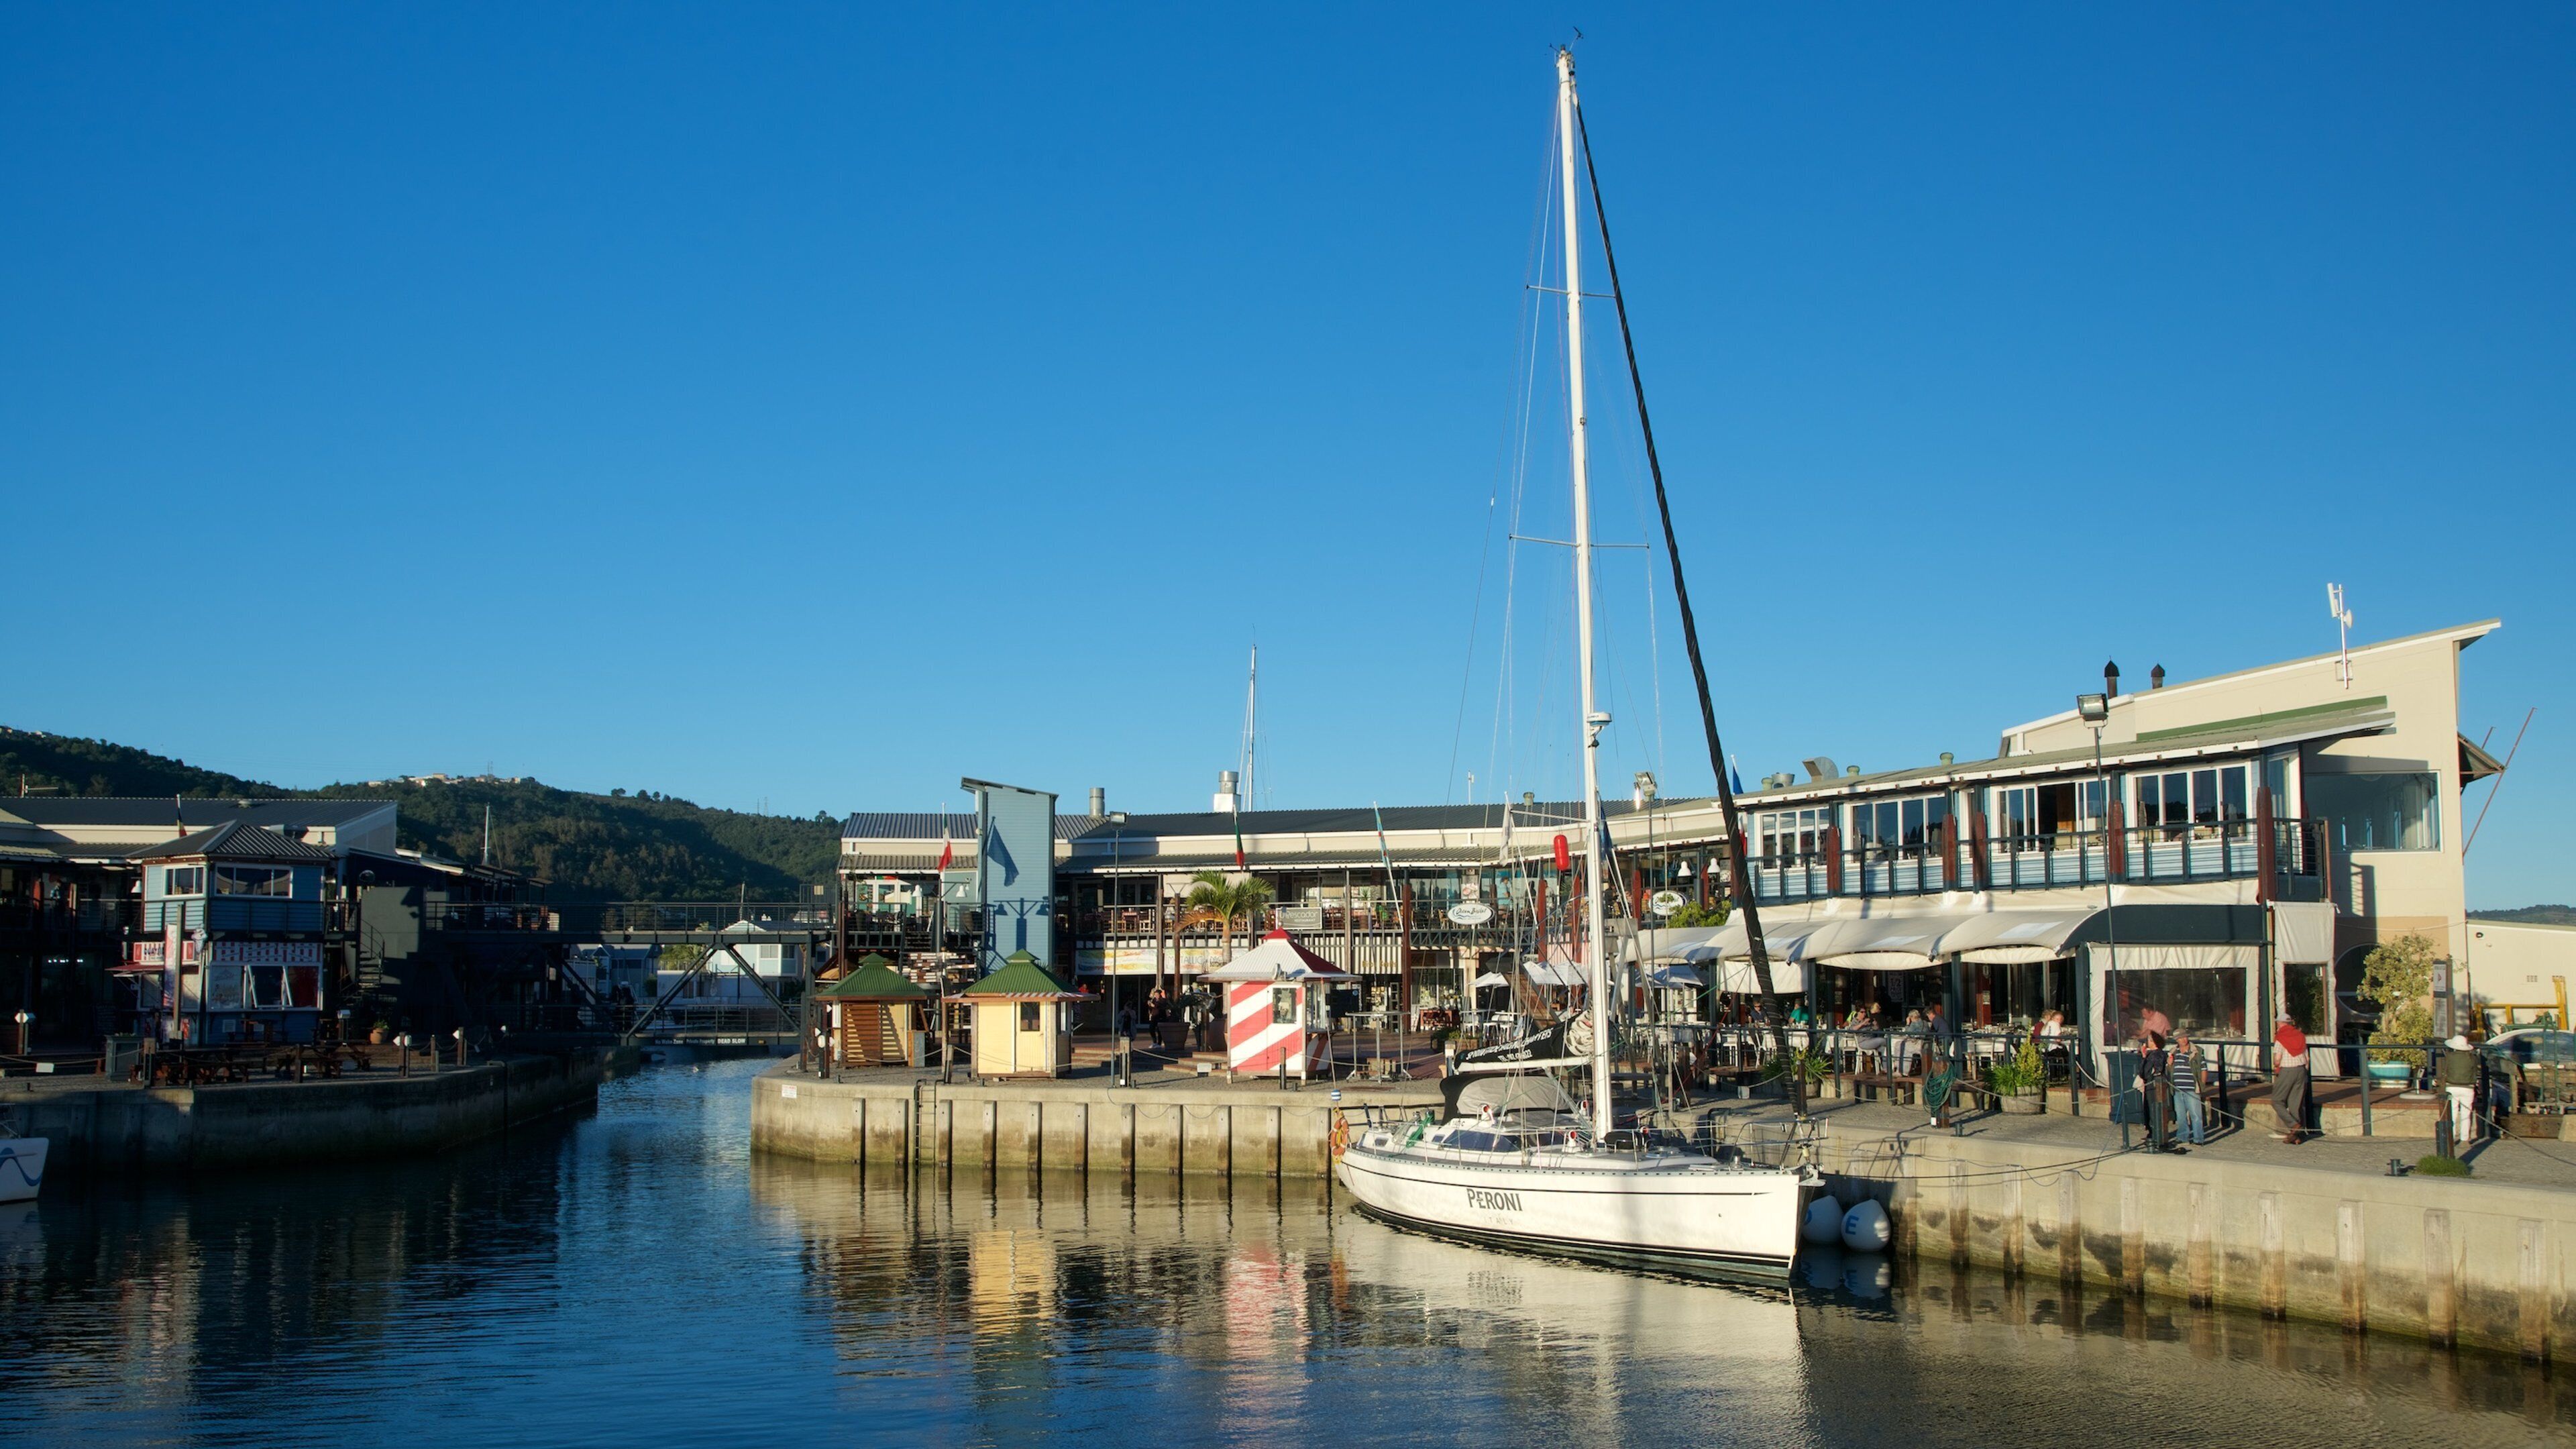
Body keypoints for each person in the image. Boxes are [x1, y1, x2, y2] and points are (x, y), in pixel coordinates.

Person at [2271, 1013, 2311, 1144]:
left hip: (2287, 1070)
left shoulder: (2281, 1037)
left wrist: (2275, 1066)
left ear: (2279, 1024)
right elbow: (2307, 1058)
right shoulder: (2300, 1036)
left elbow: (2277, 1060)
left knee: (2277, 1101)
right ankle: (2296, 1137)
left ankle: (2293, 1125)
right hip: (2301, 1070)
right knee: (2295, 1105)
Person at [2437, 1034, 2479, 1148]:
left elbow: (2445, 1070)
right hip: (2468, 1088)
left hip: (2452, 1087)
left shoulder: (2449, 1057)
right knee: (2466, 1113)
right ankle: (2464, 1139)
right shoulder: (2473, 1058)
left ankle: (2450, 1138)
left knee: (2452, 1112)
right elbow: (2475, 1071)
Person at [2137, 1030, 2174, 1151]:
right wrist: (2144, 1057)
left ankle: (2155, 1134)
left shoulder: (2157, 1054)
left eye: (2149, 1040)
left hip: (2154, 1086)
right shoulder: (2151, 1054)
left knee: (2153, 1109)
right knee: (2149, 1108)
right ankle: (2152, 1132)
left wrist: (2145, 1061)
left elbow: (2148, 1072)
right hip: (2151, 1085)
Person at [2170, 1029, 2206, 1146]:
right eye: (2181, 1038)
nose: (2184, 1040)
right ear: (2177, 1040)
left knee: (2196, 1115)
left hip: (2191, 1087)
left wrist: (2202, 1085)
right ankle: (2182, 1137)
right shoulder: (2173, 1052)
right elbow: (2170, 1070)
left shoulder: (2196, 1051)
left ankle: (2198, 1139)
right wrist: (2169, 1064)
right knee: (2180, 1115)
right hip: (2177, 1088)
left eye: (2185, 1037)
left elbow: (2203, 1069)